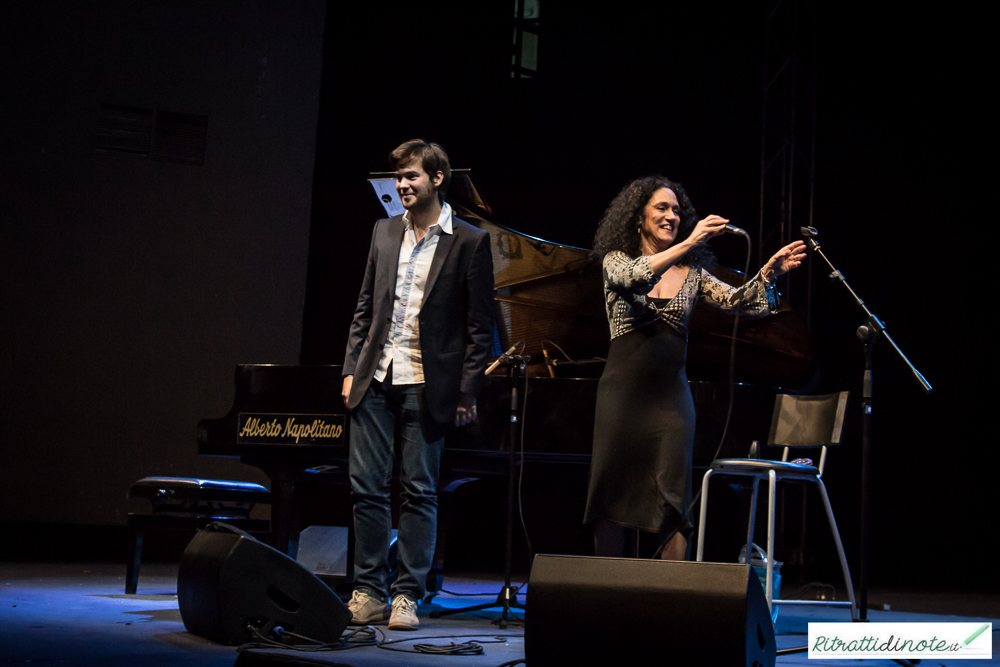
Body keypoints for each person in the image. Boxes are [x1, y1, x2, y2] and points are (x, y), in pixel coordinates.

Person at [583, 175, 806, 561]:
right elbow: (637, 276)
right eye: (662, 208)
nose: (672, 216)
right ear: (639, 216)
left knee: (673, 502)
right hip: (621, 398)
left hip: (671, 402)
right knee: (611, 498)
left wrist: (769, 272)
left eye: (677, 210)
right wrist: (691, 241)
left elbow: (739, 301)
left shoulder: (693, 275)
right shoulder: (615, 261)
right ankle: (606, 596)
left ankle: (670, 605)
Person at [341, 139, 494, 630]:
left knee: (420, 490)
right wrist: (349, 370)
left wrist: (468, 391)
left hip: (427, 383)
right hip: (375, 377)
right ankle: (368, 591)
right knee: (366, 488)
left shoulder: (469, 240)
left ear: (437, 179)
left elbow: (479, 327)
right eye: (398, 178)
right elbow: (365, 306)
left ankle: (407, 594)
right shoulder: (384, 232)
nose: (402, 186)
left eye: (411, 177)